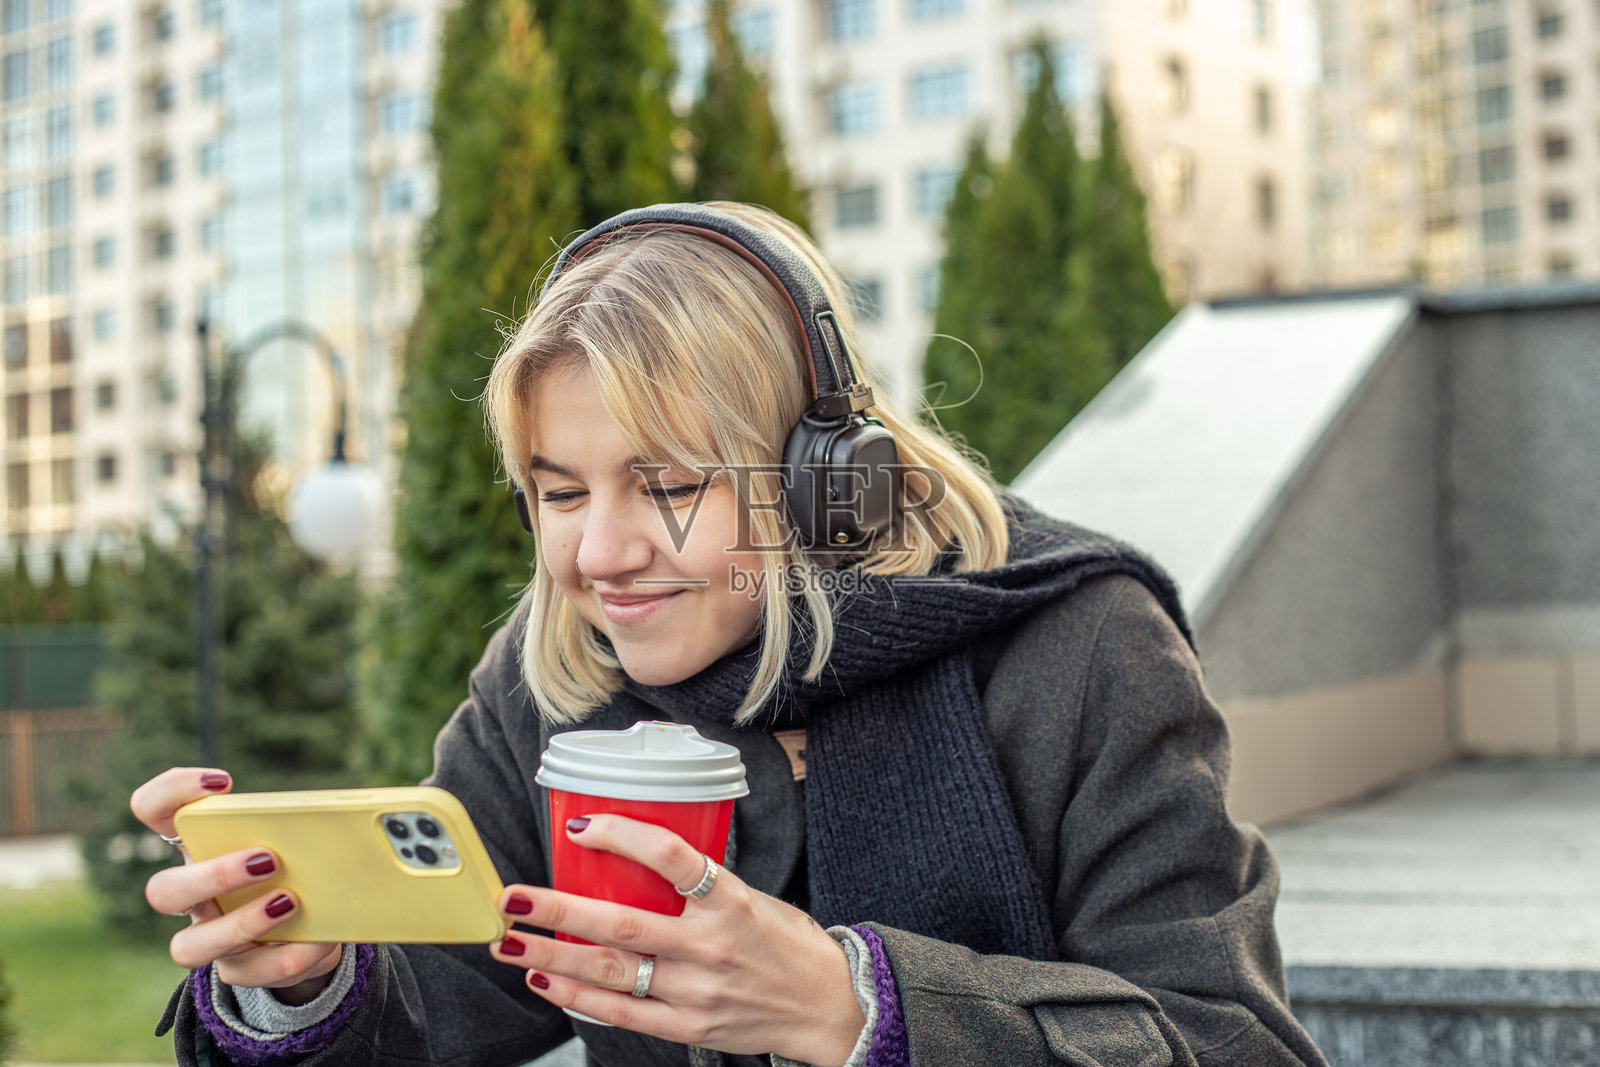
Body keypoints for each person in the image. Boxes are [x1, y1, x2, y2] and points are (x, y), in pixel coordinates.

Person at [134, 201, 1328, 1067]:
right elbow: (446, 994)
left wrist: (853, 1006)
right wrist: (305, 982)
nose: (599, 555)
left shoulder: (1077, 653)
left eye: (665, 485)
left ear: (826, 485)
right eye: (558, 491)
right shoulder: (561, 674)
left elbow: (1233, 1044)